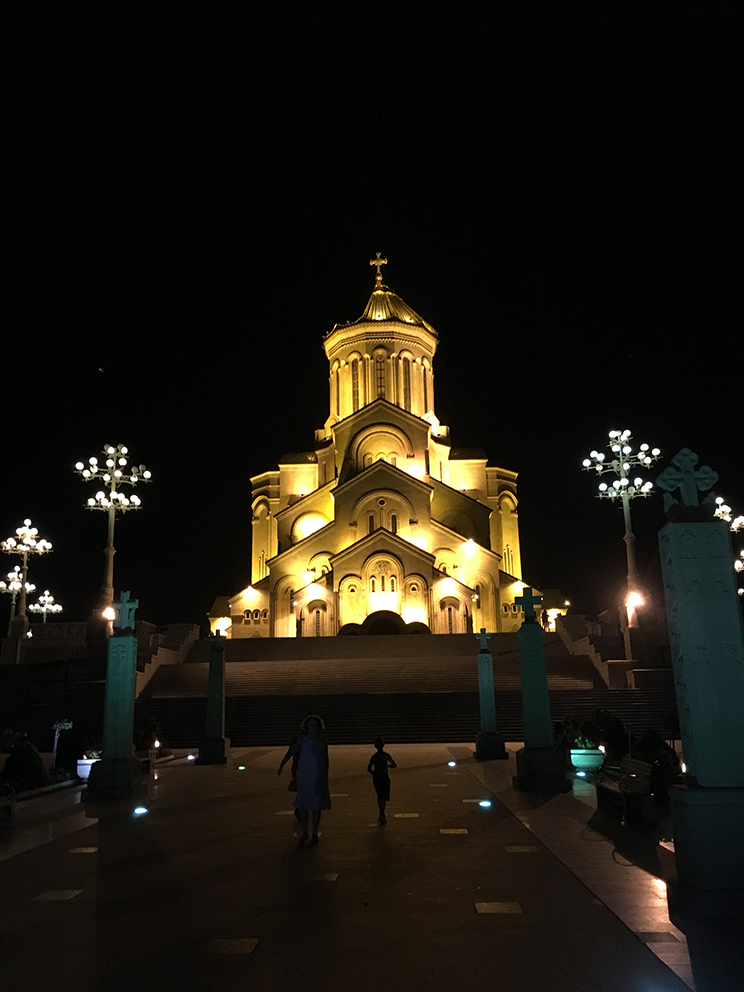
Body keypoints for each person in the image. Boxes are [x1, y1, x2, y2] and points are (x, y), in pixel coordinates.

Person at [292, 714, 331, 845]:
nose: (313, 727)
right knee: (303, 804)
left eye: (315, 725)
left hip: (316, 773)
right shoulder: (302, 739)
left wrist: (324, 773)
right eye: (311, 725)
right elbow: (296, 754)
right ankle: (305, 831)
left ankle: (314, 831)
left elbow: (325, 757)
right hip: (304, 773)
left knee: (316, 804)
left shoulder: (321, 739)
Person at [367, 736, 397, 824]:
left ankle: (381, 812)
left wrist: (374, 773)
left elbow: (369, 769)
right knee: (384, 795)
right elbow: (394, 765)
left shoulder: (374, 757)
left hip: (377, 777)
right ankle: (382, 812)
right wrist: (387, 766)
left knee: (379, 795)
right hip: (384, 776)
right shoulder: (385, 755)